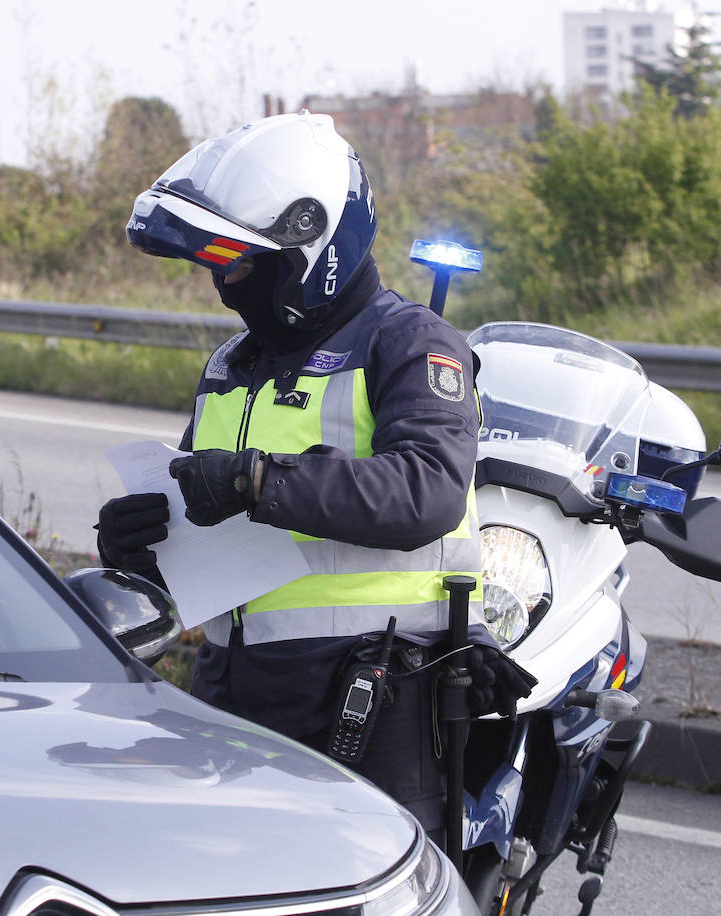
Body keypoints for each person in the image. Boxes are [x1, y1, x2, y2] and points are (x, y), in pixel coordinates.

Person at [97, 111, 534, 837]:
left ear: (311, 248)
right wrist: (139, 544)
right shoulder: (233, 365)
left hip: (372, 698)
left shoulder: (409, 341)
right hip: (234, 689)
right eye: (214, 265)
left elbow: (424, 490)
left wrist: (259, 482)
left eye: (238, 263)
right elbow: (204, 513)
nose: (223, 283)